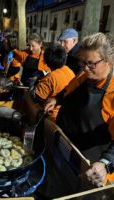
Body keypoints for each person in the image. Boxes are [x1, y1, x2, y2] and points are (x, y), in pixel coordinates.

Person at [44, 33, 114, 187]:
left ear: (108, 61)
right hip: (66, 148)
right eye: (82, 63)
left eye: (90, 63)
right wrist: (57, 99)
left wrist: (105, 164)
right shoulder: (85, 75)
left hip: (90, 167)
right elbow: (68, 90)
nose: (85, 68)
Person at [33, 43, 75, 120]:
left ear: (46, 62)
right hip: (68, 115)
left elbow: (37, 99)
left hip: (51, 118)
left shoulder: (49, 78)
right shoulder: (70, 71)